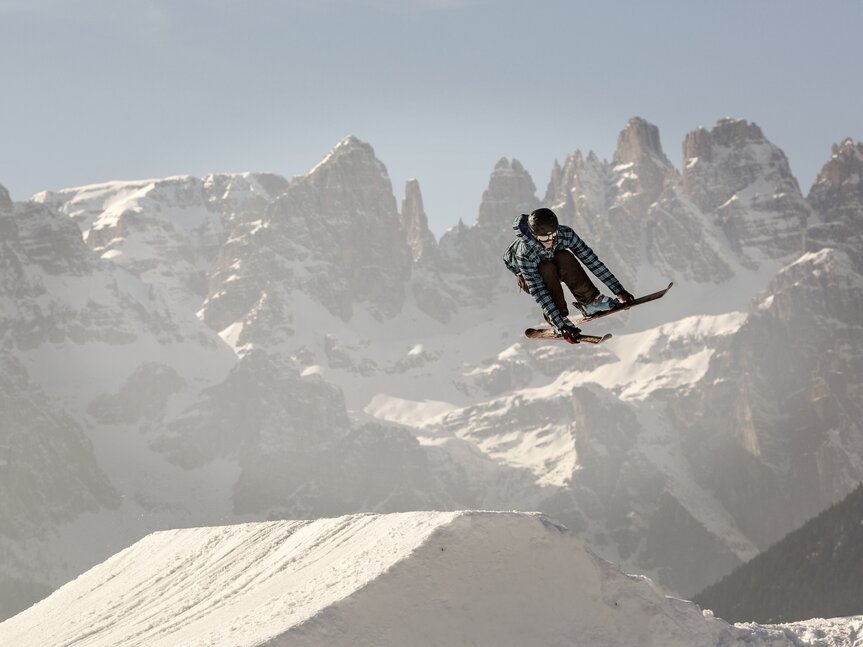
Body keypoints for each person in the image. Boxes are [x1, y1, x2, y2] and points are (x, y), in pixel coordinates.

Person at [503, 208, 634, 343]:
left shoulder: (565, 234)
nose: (550, 241)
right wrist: (560, 323)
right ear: (533, 234)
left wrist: (619, 290)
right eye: (544, 238)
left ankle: (590, 302)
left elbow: (592, 261)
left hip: (554, 262)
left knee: (564, 256)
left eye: (553, 235)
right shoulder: (525, 253)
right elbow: (539, 291)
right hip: (528, 278)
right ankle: (559, 316)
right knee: (546, 268)